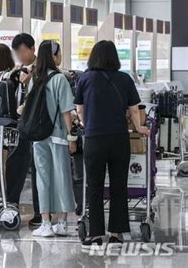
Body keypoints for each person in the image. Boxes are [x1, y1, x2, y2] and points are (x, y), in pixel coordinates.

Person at [74, 40, 149, 247]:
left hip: (94, 139)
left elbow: (79, 109)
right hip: (119, 138)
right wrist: (140, 127)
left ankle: (95, 234)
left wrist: (86, 124)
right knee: (119, 186)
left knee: (95, 186)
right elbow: (134, 109)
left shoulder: (85, 78)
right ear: (114, 57)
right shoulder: (124, 79)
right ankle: (117, 232)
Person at [30, 40, 77, 237]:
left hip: (39, 136)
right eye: (58, 54)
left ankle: (46, 223)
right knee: (62, 177)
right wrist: (71, 136)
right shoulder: (60, 79)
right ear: (53, 56)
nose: (60, 57)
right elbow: (67, 111)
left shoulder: (35, 79)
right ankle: (62, 223)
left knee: (43, 179)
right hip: (58, 136)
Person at [3, 33, 42, 226]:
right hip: (20, 125)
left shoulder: (42, 70)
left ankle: (40, 212)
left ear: (32, 49)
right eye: (16, 52)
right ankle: (10, 206)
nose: (19, 55)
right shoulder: (17, 71)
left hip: (37, 126)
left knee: (38, 169)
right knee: (15, 165)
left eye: (22, 51)